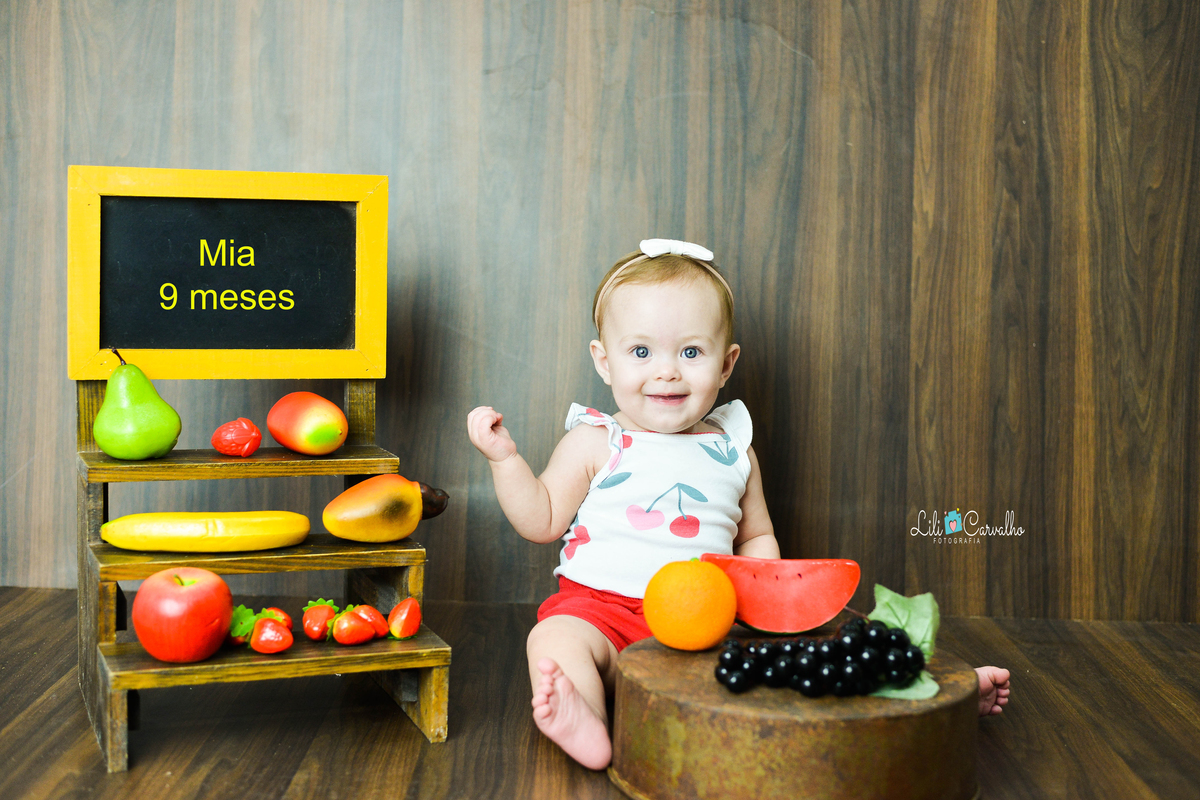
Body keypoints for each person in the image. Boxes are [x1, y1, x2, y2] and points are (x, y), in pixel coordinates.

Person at [467, 239, 1009, 770]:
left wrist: (770, 604)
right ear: (603, 361)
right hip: (601, 615)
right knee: (554, 639)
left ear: (726, 366)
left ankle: (938, 693)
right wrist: (505, 459)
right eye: (641, 351)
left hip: (714, 624)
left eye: (690, 352)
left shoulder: (732, 446)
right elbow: (541, 519)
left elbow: (755, 536)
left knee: (830, 640)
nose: (667, 371)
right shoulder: (595, 440)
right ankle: (584, 718)